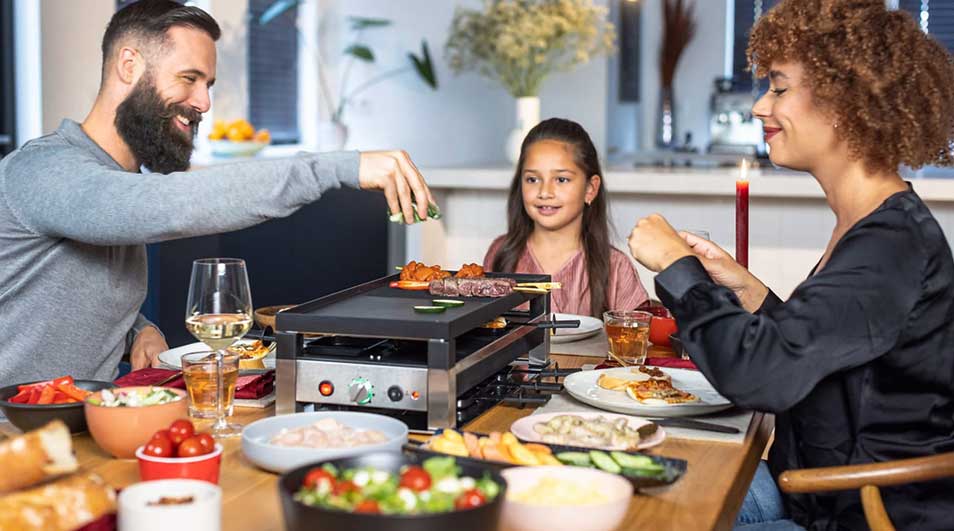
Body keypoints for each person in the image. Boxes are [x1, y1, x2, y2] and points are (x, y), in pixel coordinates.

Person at [627, 1, 954, 529]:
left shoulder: (890, 246)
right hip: (809, 493)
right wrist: (748, 290)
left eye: (779, 88)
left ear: (843, 103)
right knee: (630, 487)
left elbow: (759, 376)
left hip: (862, 512)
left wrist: (676, 265)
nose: (760, 106)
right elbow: (829, 345)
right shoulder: (871, 225)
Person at [0, 0, 435, 388]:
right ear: (129, 66)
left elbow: (73, 284)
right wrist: (338, 166)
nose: (204, 102)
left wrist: (138, 329)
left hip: (77, 436)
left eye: (208, 83)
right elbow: (161, 206)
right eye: (189, 78)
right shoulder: (40, 170)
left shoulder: (114, 183)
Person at [482, 118, 648, 317]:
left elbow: (638, 336)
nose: (545, 192)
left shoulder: (615, 266)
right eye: (532, 179)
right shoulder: (501, 253)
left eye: (561, 179)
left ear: (590, 188)